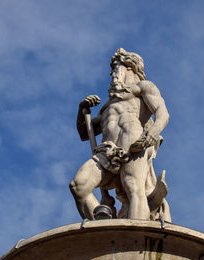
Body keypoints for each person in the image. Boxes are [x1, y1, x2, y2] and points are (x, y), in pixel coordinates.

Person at [69, 48, 170, 220]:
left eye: (117, 68)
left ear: (130, 68)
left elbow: (163, 113)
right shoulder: (108, 105)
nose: (114, 75)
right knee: (79, 185)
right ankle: (103, 230)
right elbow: (85, 133)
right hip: (106, 150)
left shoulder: (143, 87)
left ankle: (135, 238)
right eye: (114, 70)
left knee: (134, 188)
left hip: (133, 144)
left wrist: (152, 133)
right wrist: (82, 109)